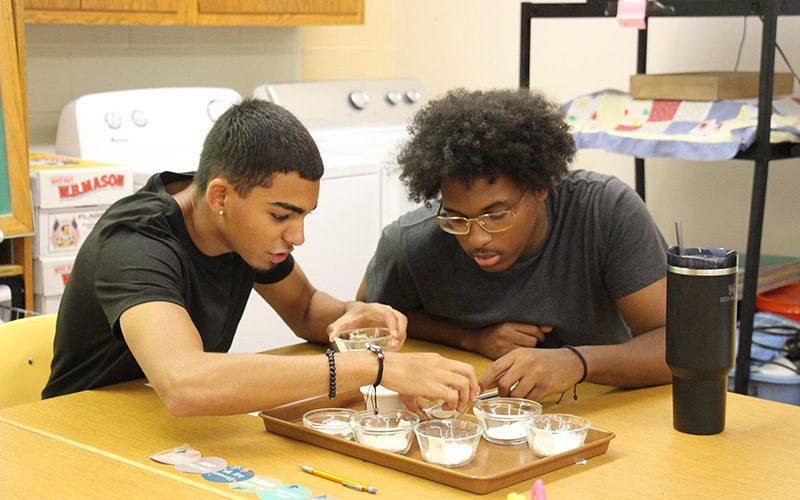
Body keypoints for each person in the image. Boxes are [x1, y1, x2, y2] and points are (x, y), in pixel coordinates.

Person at [43, 98, 479, 416]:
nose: (298, 236)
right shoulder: (136, 241)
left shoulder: (237, 232)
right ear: (220, 196)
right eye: (280, 216)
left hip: (163, 432)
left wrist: (353, 314)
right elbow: (185, 383)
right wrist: (373, 367)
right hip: (77, 430)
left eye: (304, 216)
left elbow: (306, 308)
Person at [358, 88, 671, 402]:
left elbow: (678, 345)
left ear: (540, 189)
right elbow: (364, 320)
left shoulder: (605, 211)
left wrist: (577, 361)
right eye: (457, 218)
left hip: (609, 407)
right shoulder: (413, 241)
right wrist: (471, 338)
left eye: (496, 215)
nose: (476, 239)